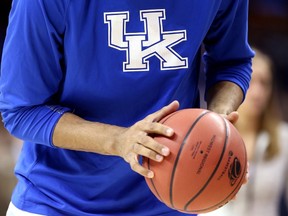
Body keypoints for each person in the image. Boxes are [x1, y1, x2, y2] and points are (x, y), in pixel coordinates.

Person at [0, 0, 254, 215]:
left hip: (171, 199)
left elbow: (232, 62)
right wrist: (119, 140)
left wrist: (219, 125)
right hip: (56, 200)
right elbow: (22, 110)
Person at [199, 48, 288, 216]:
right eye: (251, 82)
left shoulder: (284, 138)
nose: (258, 93)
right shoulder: (209, 136)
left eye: (264, 83)